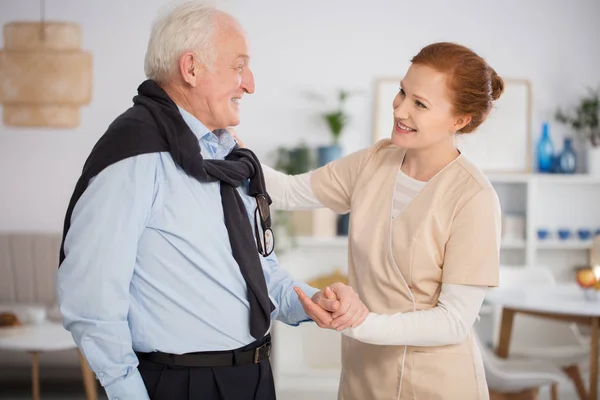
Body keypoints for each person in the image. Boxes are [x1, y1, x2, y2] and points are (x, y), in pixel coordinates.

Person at [56, 2, 367, 400]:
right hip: (179, 384)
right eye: (239, 66)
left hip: (253, 378)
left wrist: (308, 301)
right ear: (191, 68)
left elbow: (258, 270)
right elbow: (90, 295)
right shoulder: (133, 156)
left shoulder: (226, 157)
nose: (250, 83)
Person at [251, 42, 504, 399]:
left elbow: (453, 322)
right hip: (363, 377)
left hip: (436, 384)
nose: (400, 109)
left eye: (420, 104)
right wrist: (228, 146)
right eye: (402, 92)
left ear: (459, 120)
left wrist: (361, 323)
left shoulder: (473, 197)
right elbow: (289, 191)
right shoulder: (374, 162)